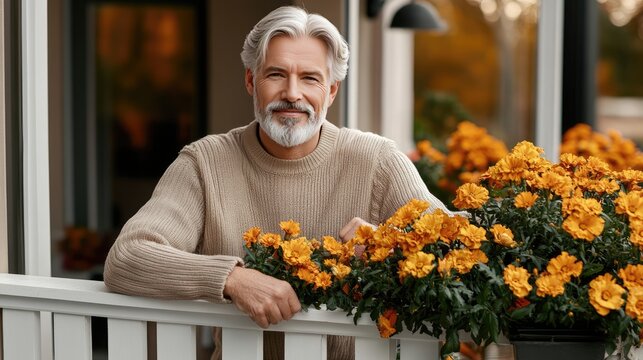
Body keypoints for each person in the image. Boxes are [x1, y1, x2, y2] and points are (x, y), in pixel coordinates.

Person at [103, 5, 452, 360]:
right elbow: (126, 257)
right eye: (276, 74)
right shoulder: (205, 163)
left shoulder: (377, 161)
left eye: (310, 78)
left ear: (331, 91)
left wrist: (389, 249)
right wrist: (232, 279)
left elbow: (466, 250)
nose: (292, 93)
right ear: (251, 81)